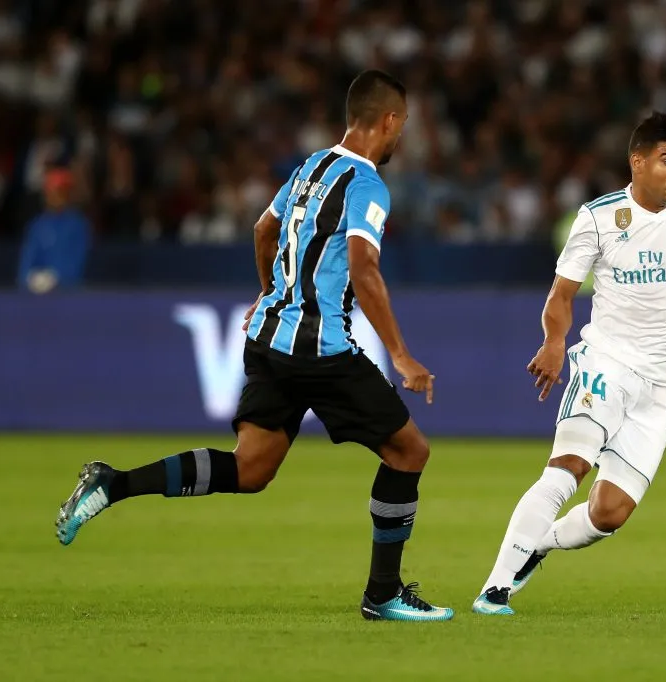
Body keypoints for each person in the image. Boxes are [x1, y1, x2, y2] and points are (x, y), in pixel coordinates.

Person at [55, 70, 454, 622]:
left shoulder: (310, 167)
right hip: (320, 350)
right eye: (402, 124)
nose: (401, 135)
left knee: (251, 470)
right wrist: (402, 354)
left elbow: (262, 231)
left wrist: (271, 292)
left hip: (268, 340)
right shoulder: (366, 185)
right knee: (410, 451)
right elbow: (364, 266)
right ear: (388, 120)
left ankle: (113, 484)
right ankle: (382, 593)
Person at [472, 112, 666, 615]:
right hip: (606, 363)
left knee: (609, 513)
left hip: (663, 385)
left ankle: (536, 545)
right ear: (638, 162)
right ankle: (495, 588)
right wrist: (554, 342)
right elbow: (561, 296)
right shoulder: (598, 217)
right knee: (568, 468)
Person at [17, 167, 90, 293]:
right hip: (36, 294)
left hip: (69, 294)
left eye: (60, 191)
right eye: (51, 191)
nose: (55, 196)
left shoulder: (78, 225)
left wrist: (53, 279)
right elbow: (25, 264)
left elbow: (77, 264)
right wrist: (33, 279)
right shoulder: (37, 225)